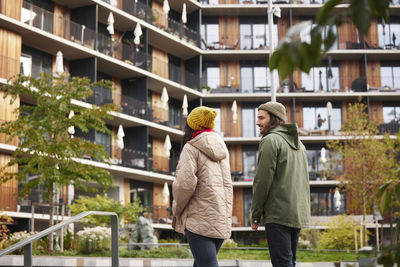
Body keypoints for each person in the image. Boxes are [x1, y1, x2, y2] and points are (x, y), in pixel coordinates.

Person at [250, 101, 310, 267]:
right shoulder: (300, 145)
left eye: (261, 118)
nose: (257, 122)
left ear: (274, 118)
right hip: (296, 214)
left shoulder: (270, 141)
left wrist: (255, 214)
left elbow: (262, 181)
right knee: (289, 262)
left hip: (278, 214)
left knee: (282, 264)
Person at [172, 106, 233, 267]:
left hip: (199, 219)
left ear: (191, 125)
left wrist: (176, 210)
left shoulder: (191, 148)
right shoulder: (222, 148)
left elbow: (184, 185)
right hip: (220, 218)